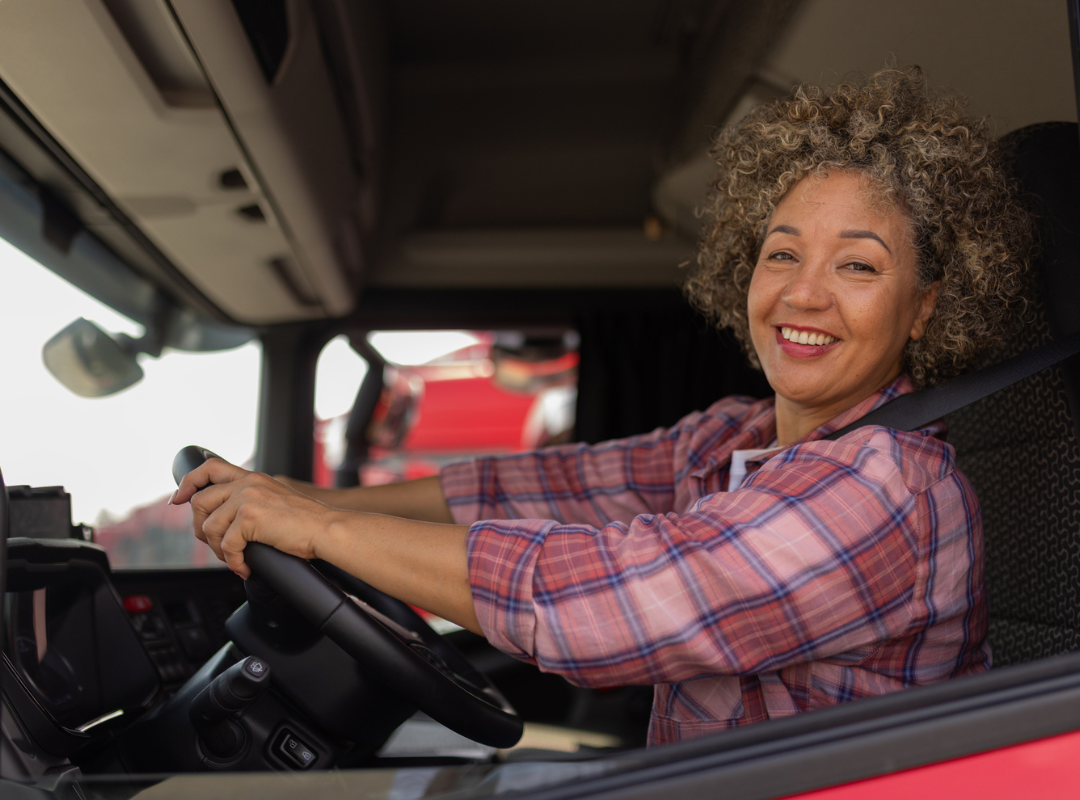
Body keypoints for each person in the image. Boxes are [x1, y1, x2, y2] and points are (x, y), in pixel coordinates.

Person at [171, 67, 1033, 745]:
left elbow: (607, 605)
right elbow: (546, 487)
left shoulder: (888, 491)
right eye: (781, 255)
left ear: (925, 306)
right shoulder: (743, 435)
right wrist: (304, 501)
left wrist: (320, 533)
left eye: (858, 266)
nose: (802, 295)